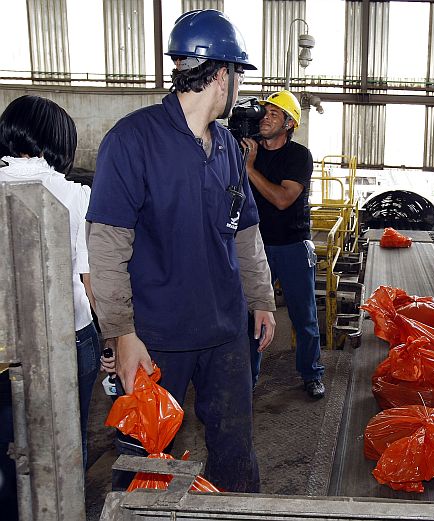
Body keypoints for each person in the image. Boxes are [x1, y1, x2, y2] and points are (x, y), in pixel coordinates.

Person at [86, 9, 276, 493]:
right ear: (221, 74)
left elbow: (246, 233)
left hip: (224, 330)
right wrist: (121, 334)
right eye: (237, 74)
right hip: (156, 337)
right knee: (144, 459)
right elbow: (106, 247)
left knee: (235, 450)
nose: (237, 86)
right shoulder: (132, 141)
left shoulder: (229, 148)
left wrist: (261, 299)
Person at [0, 95, 101, 516]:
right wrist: (112, 340)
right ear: (61, 142)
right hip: (70, 335)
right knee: (65, 442)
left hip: (5, 346)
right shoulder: (77, 195)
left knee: (7, 447)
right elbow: (90, 278)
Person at [241, 90, 326, 399]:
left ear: (289, 123)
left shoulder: (298, 156)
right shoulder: (247, 150)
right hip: (255, 248)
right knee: (252, 315)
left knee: (304, 317)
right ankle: (247, 378)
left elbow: (281, 199)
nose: (265, 118)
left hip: (292, 246)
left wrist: (249, 168)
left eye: (274, 114)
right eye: (264, 112)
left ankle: (311, 373)